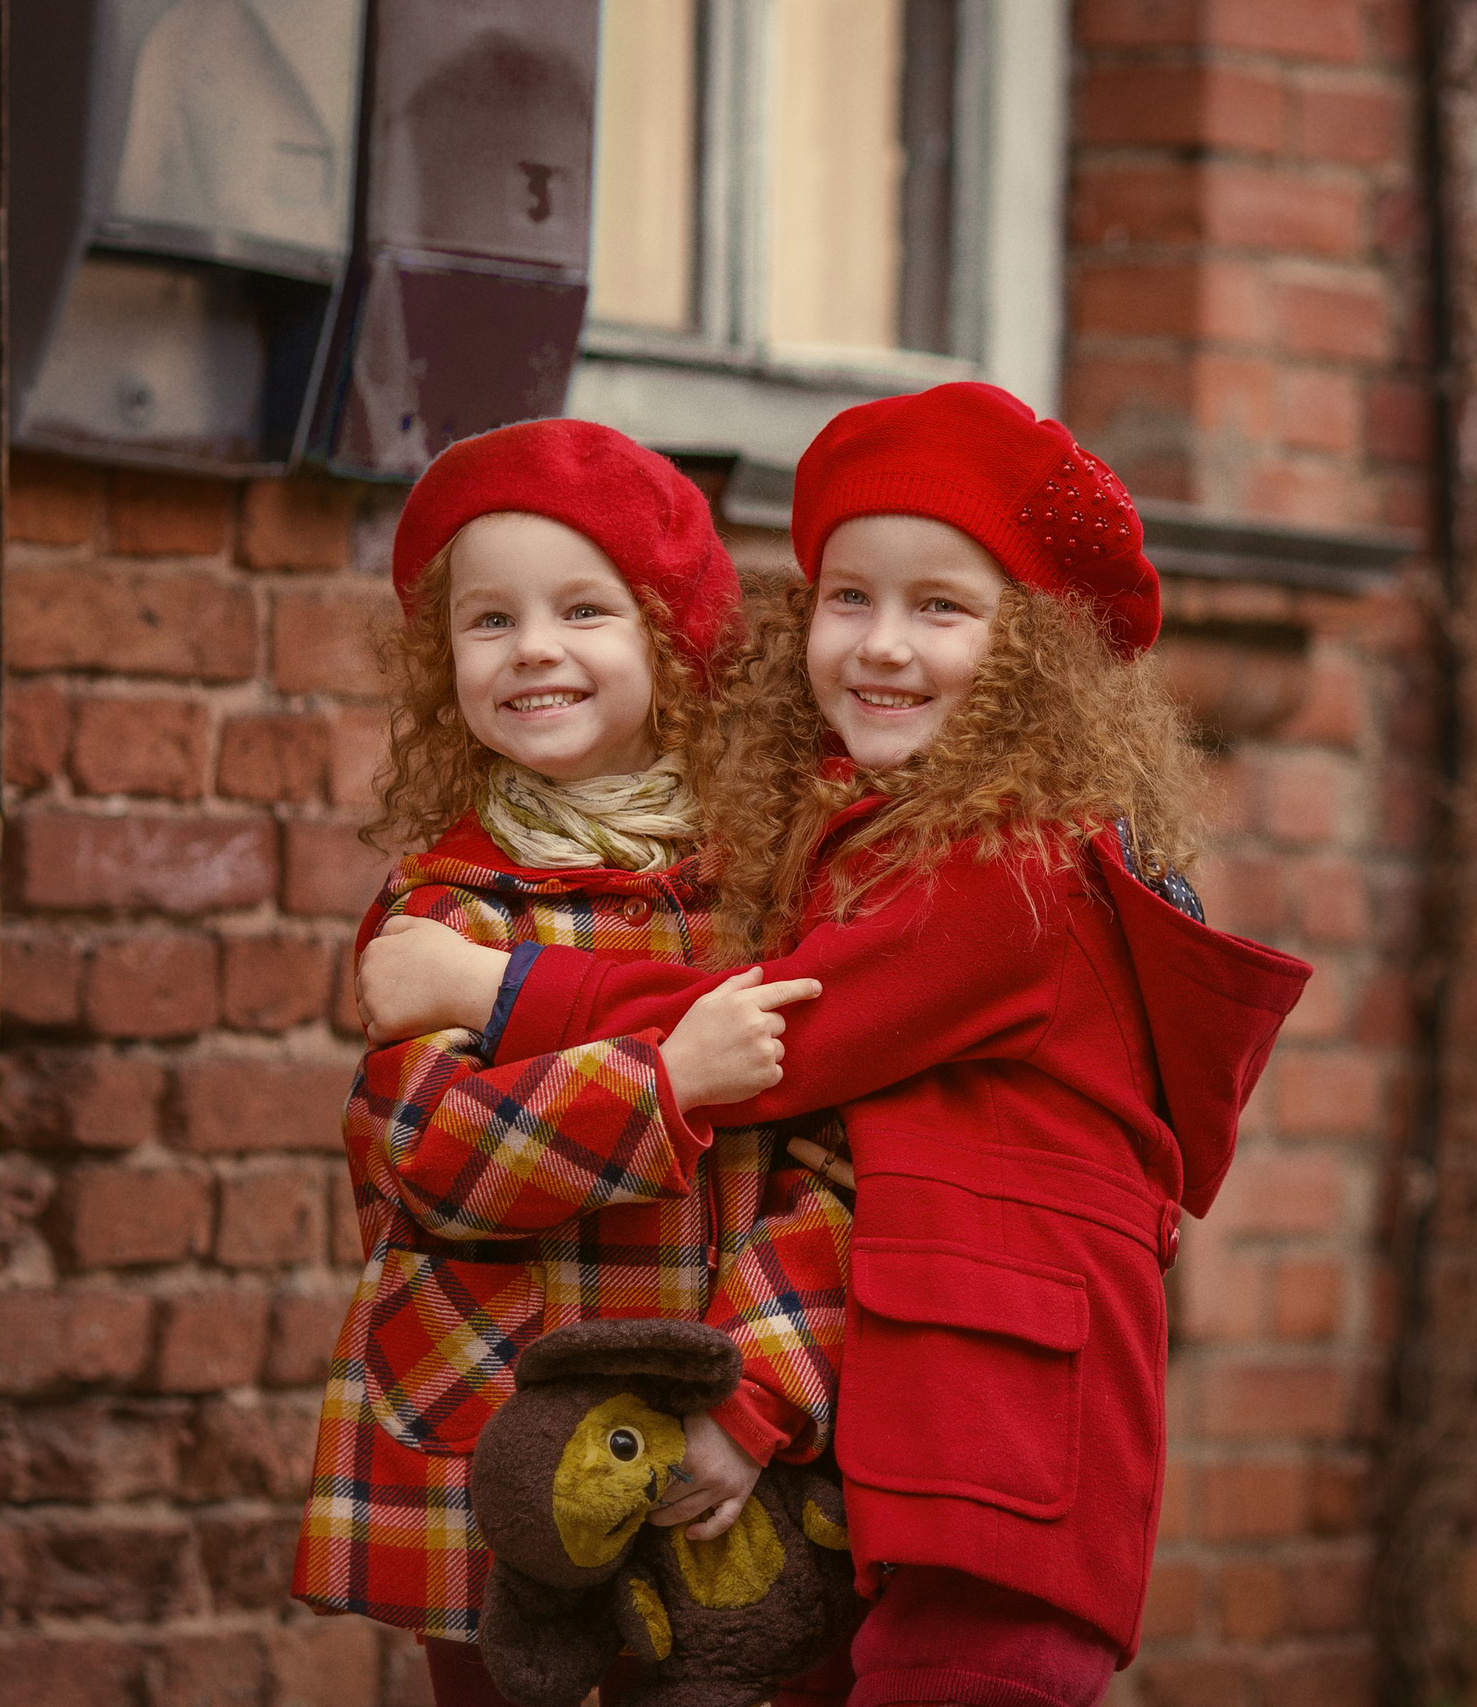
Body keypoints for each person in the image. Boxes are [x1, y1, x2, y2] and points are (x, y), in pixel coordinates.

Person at [359, 383, 1313, 1707]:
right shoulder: (882, 843)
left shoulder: (1013, 877)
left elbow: (782, 1026)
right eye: (847, 598)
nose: (881, 645)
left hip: (996, 1446)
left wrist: (496, 985)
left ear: (1030, 651)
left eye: (941, 608)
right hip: (894, 1443)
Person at [288, 418, 852, 1707]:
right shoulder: (445, 909)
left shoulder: (768, 897)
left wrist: (755, 1390)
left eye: (586, 608)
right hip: (494, 1423)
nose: (534, 646)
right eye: (489, 621)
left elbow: (839, 1175)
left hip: (722, 1428)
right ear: (446, 664)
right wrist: (663, 1086)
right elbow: (423, 1159)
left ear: (671, 638)